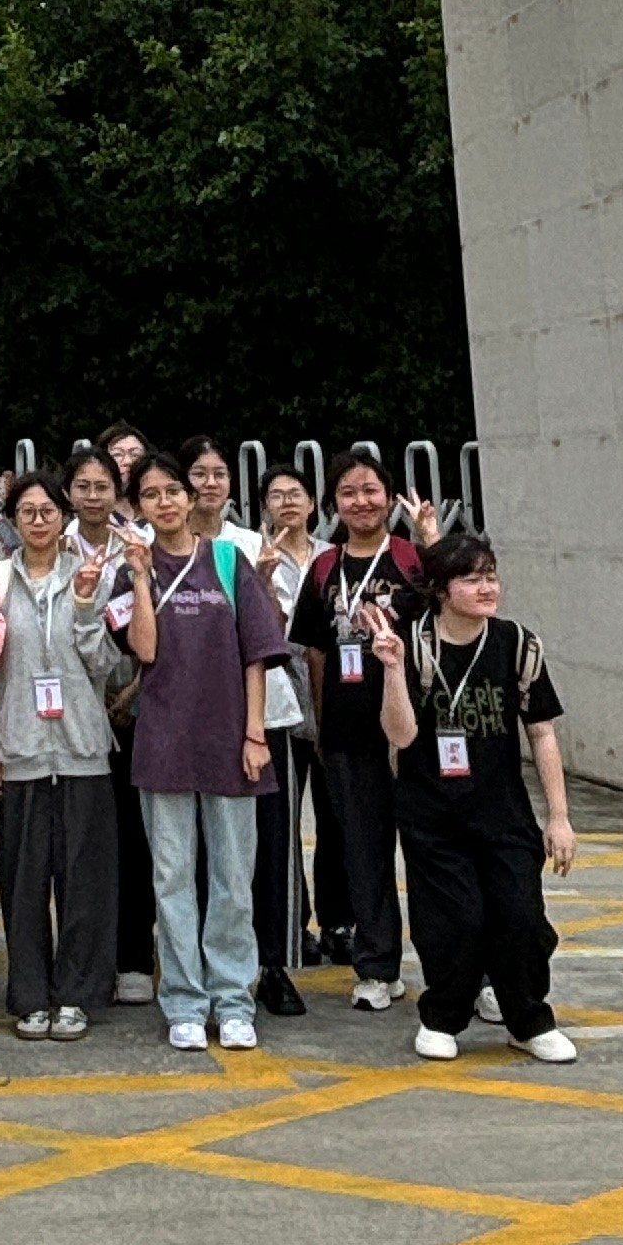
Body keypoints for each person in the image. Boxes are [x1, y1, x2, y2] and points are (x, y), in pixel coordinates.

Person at [376, 530, 578, 1066]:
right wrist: (392, 670)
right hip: (432, 814)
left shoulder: (517, 644)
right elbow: (400, 735)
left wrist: (559, 817)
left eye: (490, 576)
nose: (487, 587)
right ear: (441, 590)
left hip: (502, 811)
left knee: (522, 917)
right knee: (456, 920)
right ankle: (442, 1017)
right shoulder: (411, 643)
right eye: (471, 579)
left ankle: (529, 1021)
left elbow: (542, 732)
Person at [116, 454, 287, 1053]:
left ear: (192, 499)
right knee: (171, 879)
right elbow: (144, 650)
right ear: (139, 507)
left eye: (173, 491)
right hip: (163, 742)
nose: (164, 502)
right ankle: (184, 1000)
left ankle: (234, 998)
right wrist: (140, 578)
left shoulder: (228, 560)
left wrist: (255, 733)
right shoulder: (132, 567)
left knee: (233, 879)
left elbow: (256, 653)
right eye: (151, 495)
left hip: (229, 741)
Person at [0, 468, 127, 1037]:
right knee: (23, 882)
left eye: (48, 511)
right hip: (18, 747)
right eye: (28, 512)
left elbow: (108, 665)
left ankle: (77, 994)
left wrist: (87, 606)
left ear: (64, 517)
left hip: (82, 747)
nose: (39, 521)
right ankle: (29, 996)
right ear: (12, 521)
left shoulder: (90, 575)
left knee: (85, 880)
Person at [289, 451, 420, 1011]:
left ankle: (457, 966)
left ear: (389, 498)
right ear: (333, 505)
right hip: (346, 733)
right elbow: (316, 652)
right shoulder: (324, 567)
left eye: (371, 490)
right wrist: (321, 724)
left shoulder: (414, 560)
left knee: (430, 852)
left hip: (412, 734)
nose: (361, 501)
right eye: (348, 492)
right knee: (364, 854)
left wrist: (433, 540)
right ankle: (376, 967)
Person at [61, 441, 156, 1005]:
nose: (93, 496)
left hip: (138, 706)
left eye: (102, 486)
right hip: (76, 711)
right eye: (83, 486)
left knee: (136, 838)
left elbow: (162, 625)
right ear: (68, 492)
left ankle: (134, 958)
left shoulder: (140, 546)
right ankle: (88, 959)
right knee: (86, 844)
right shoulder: (54, 545)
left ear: (118, 491)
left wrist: (133, 691)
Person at [245, 460, 320, 1015]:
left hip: (283, 709)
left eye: (296, 493)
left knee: (280, 837)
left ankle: (281, 956)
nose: (287, 502)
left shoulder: (254, 547)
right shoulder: (174, 548)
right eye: (277, 494)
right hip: (214, 717)